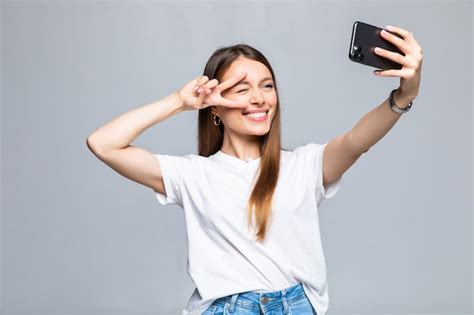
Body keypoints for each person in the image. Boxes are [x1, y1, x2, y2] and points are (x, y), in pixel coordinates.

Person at [87, 26, 422, 315]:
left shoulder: (303, 166)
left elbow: (355, 142)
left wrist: (406, 94)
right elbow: (103, 143)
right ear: (214, 105)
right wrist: (179, 101)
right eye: (242, 89)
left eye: (267, 86)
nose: (260, 98)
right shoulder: (191, 175)